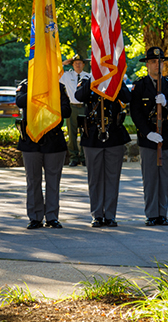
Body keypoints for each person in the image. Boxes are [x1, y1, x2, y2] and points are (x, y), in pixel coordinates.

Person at [130, 46, 168, 226]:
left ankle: (162, 213)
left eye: (159, 61)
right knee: (150, 178)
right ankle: (151, 214)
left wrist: (167, 103)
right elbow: (136, 113)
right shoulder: (139, 86)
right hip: (149, 139)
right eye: (153, 62)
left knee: (164, 177)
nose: (157, 65)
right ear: (147, 64)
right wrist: (148, 133)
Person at [75, 78, 132, 228]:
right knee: (95, 178)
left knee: (113, 178)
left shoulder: (117, 78)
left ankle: (110, 215)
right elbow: (79, 96)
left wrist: (114, 80)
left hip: (114, 133)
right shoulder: (87, 81)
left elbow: (127, 98)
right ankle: (97, 215)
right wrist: (94, 80)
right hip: (93, 135)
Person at [16, 79, 71, 229]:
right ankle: (35, 217)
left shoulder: (58, 87)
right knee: (33, 181)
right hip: (31, 140)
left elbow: (67, 111)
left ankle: (52, 217)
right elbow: (19, 102)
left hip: (53, 139)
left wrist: (50, 98)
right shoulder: (26, 85)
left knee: (53, 182)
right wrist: (36, 92)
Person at [59, 55, 91, 167]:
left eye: (80, 63)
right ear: (72, 64)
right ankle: (73, 157)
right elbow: (53, 71)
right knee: (71, 134)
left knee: (85, 133)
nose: (78, 65)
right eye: (75, 63)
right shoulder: (67, 75)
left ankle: (84, 157)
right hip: (72, 107)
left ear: (83, 64)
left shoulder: (88, 76)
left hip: (84, 107)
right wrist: (63, 63)